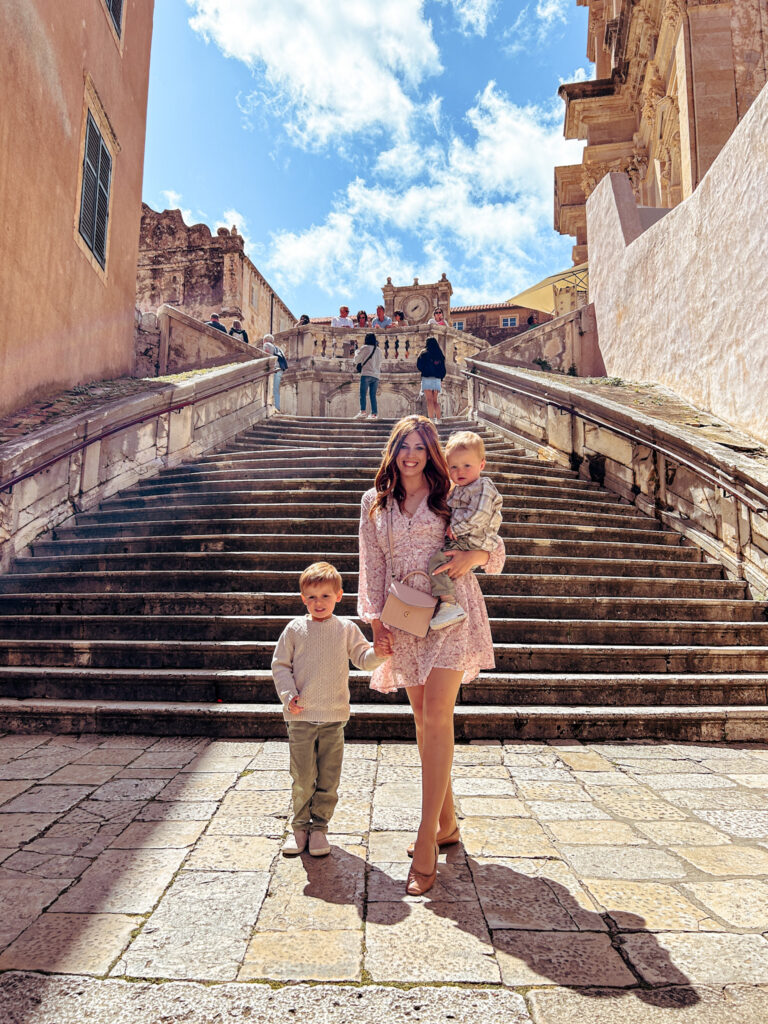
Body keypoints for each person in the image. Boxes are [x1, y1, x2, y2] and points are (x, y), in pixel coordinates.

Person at [357, 416, 505, 895]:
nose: (412, 455)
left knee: (438, 717)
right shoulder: (375, 502)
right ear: (394, 450)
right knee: (422, 718)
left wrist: (474, 558)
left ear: (432, 452)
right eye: (405, 446)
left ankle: (426, 843)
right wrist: (376, 624)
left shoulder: (453, 494)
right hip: (406, 616)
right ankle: (446, 825)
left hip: (453, 611)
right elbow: (371, 565)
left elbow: (494, 545)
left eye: (421, 447)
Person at [272, 561, 388, 857]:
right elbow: (281, 666)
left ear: (338, 596)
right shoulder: (295, 629)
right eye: (311, 597)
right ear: (303, 599)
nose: (318, 602)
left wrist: (379, 653)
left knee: (329, 777)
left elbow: (363, 658)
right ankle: (299, 826)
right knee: (302, 774)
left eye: (325, 595)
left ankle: (319, 827)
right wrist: (288, 695)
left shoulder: (346, 629)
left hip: (334, 717)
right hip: (301, 717)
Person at [427, 431, 503, 631]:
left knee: (437, 563)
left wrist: (456, 528)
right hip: (465, 539)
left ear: (482, 465)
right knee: (442, 563)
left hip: (473, 539)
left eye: (467, 465)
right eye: (454, 467)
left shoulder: (483, 486)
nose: (460, 471)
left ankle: (449, 603)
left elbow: (480, 515)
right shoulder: (459, 489)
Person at [416, 336, 446, 424]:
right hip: (436, 379)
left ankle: (431, 419)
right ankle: (439, 419)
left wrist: (425, 370)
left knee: (429, 400)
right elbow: (443, 369)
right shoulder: (440, 354)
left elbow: (419, 365)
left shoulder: (423, 353)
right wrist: (441, 378)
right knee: (435, 400)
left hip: (427, 378)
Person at [353, 332, 383, 420]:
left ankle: (363, 412)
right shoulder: (379, 350)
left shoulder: (365, 348)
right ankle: (374, 413)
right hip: (376, 375)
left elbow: (356, 360)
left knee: (363, 394)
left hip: (366, 374)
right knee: (372, 395)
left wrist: (356, 352)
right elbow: (380, 363)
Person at [262, 333, 287, 413]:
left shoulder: (266, 345)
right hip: (280, 370)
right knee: (275, 390)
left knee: (268, 389)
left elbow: (266, 355)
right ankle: (277, 407)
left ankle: (270, 407)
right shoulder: (278, 348)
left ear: (265, 340)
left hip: (274, 369)